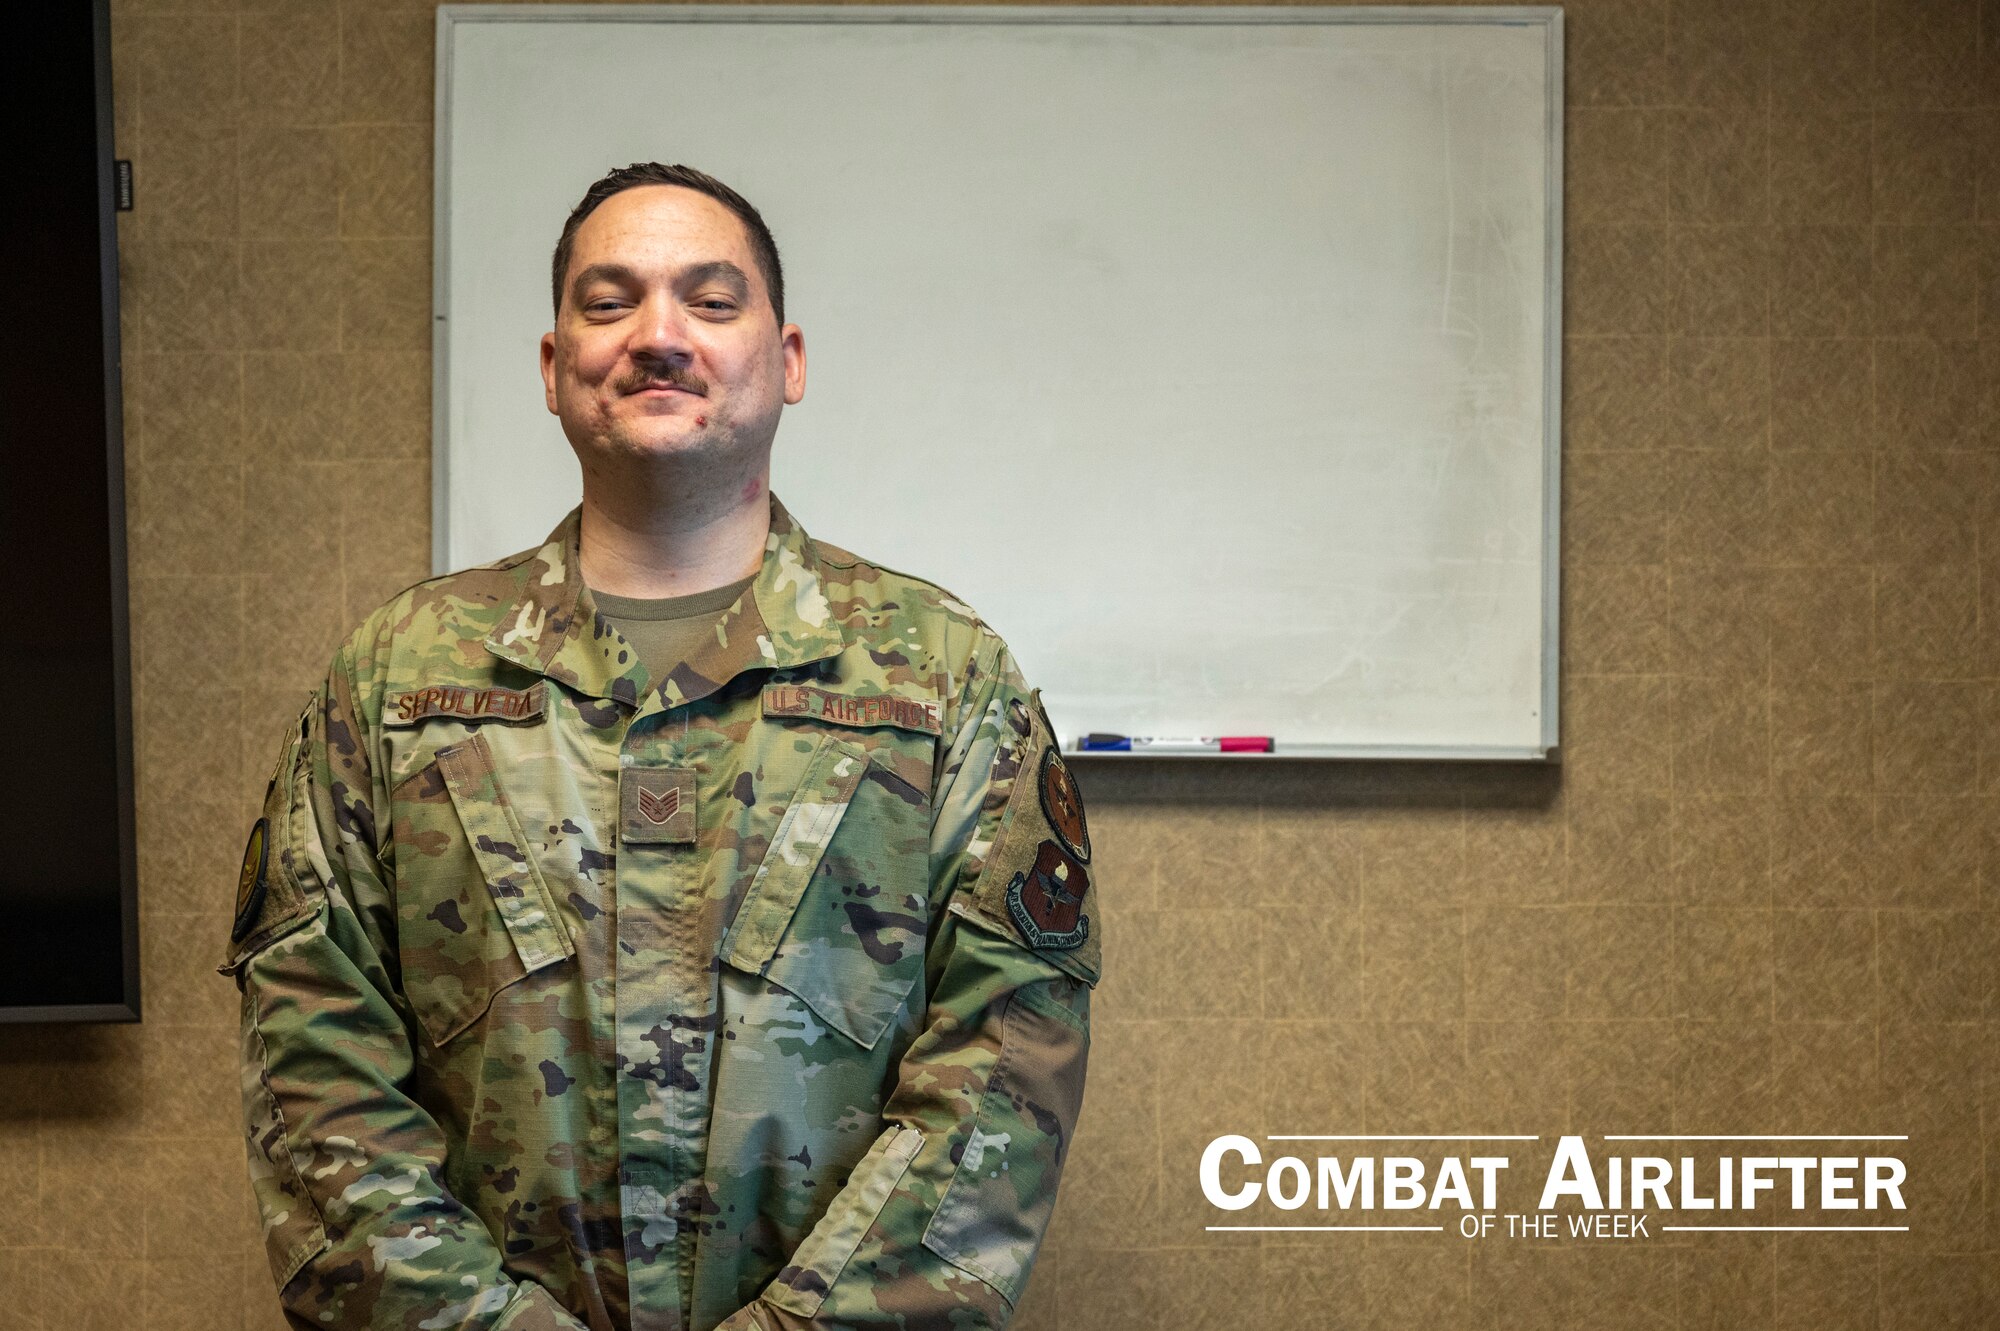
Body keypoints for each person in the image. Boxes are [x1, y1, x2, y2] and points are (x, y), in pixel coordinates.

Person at [222, 162, 1101, 1331]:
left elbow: (1005, 1056)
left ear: (784, 359)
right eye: (608, 300)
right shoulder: (397, 679)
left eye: (709, 297)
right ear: (553, 367)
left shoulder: (939, 676)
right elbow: (313, 1055)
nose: (658, 334)